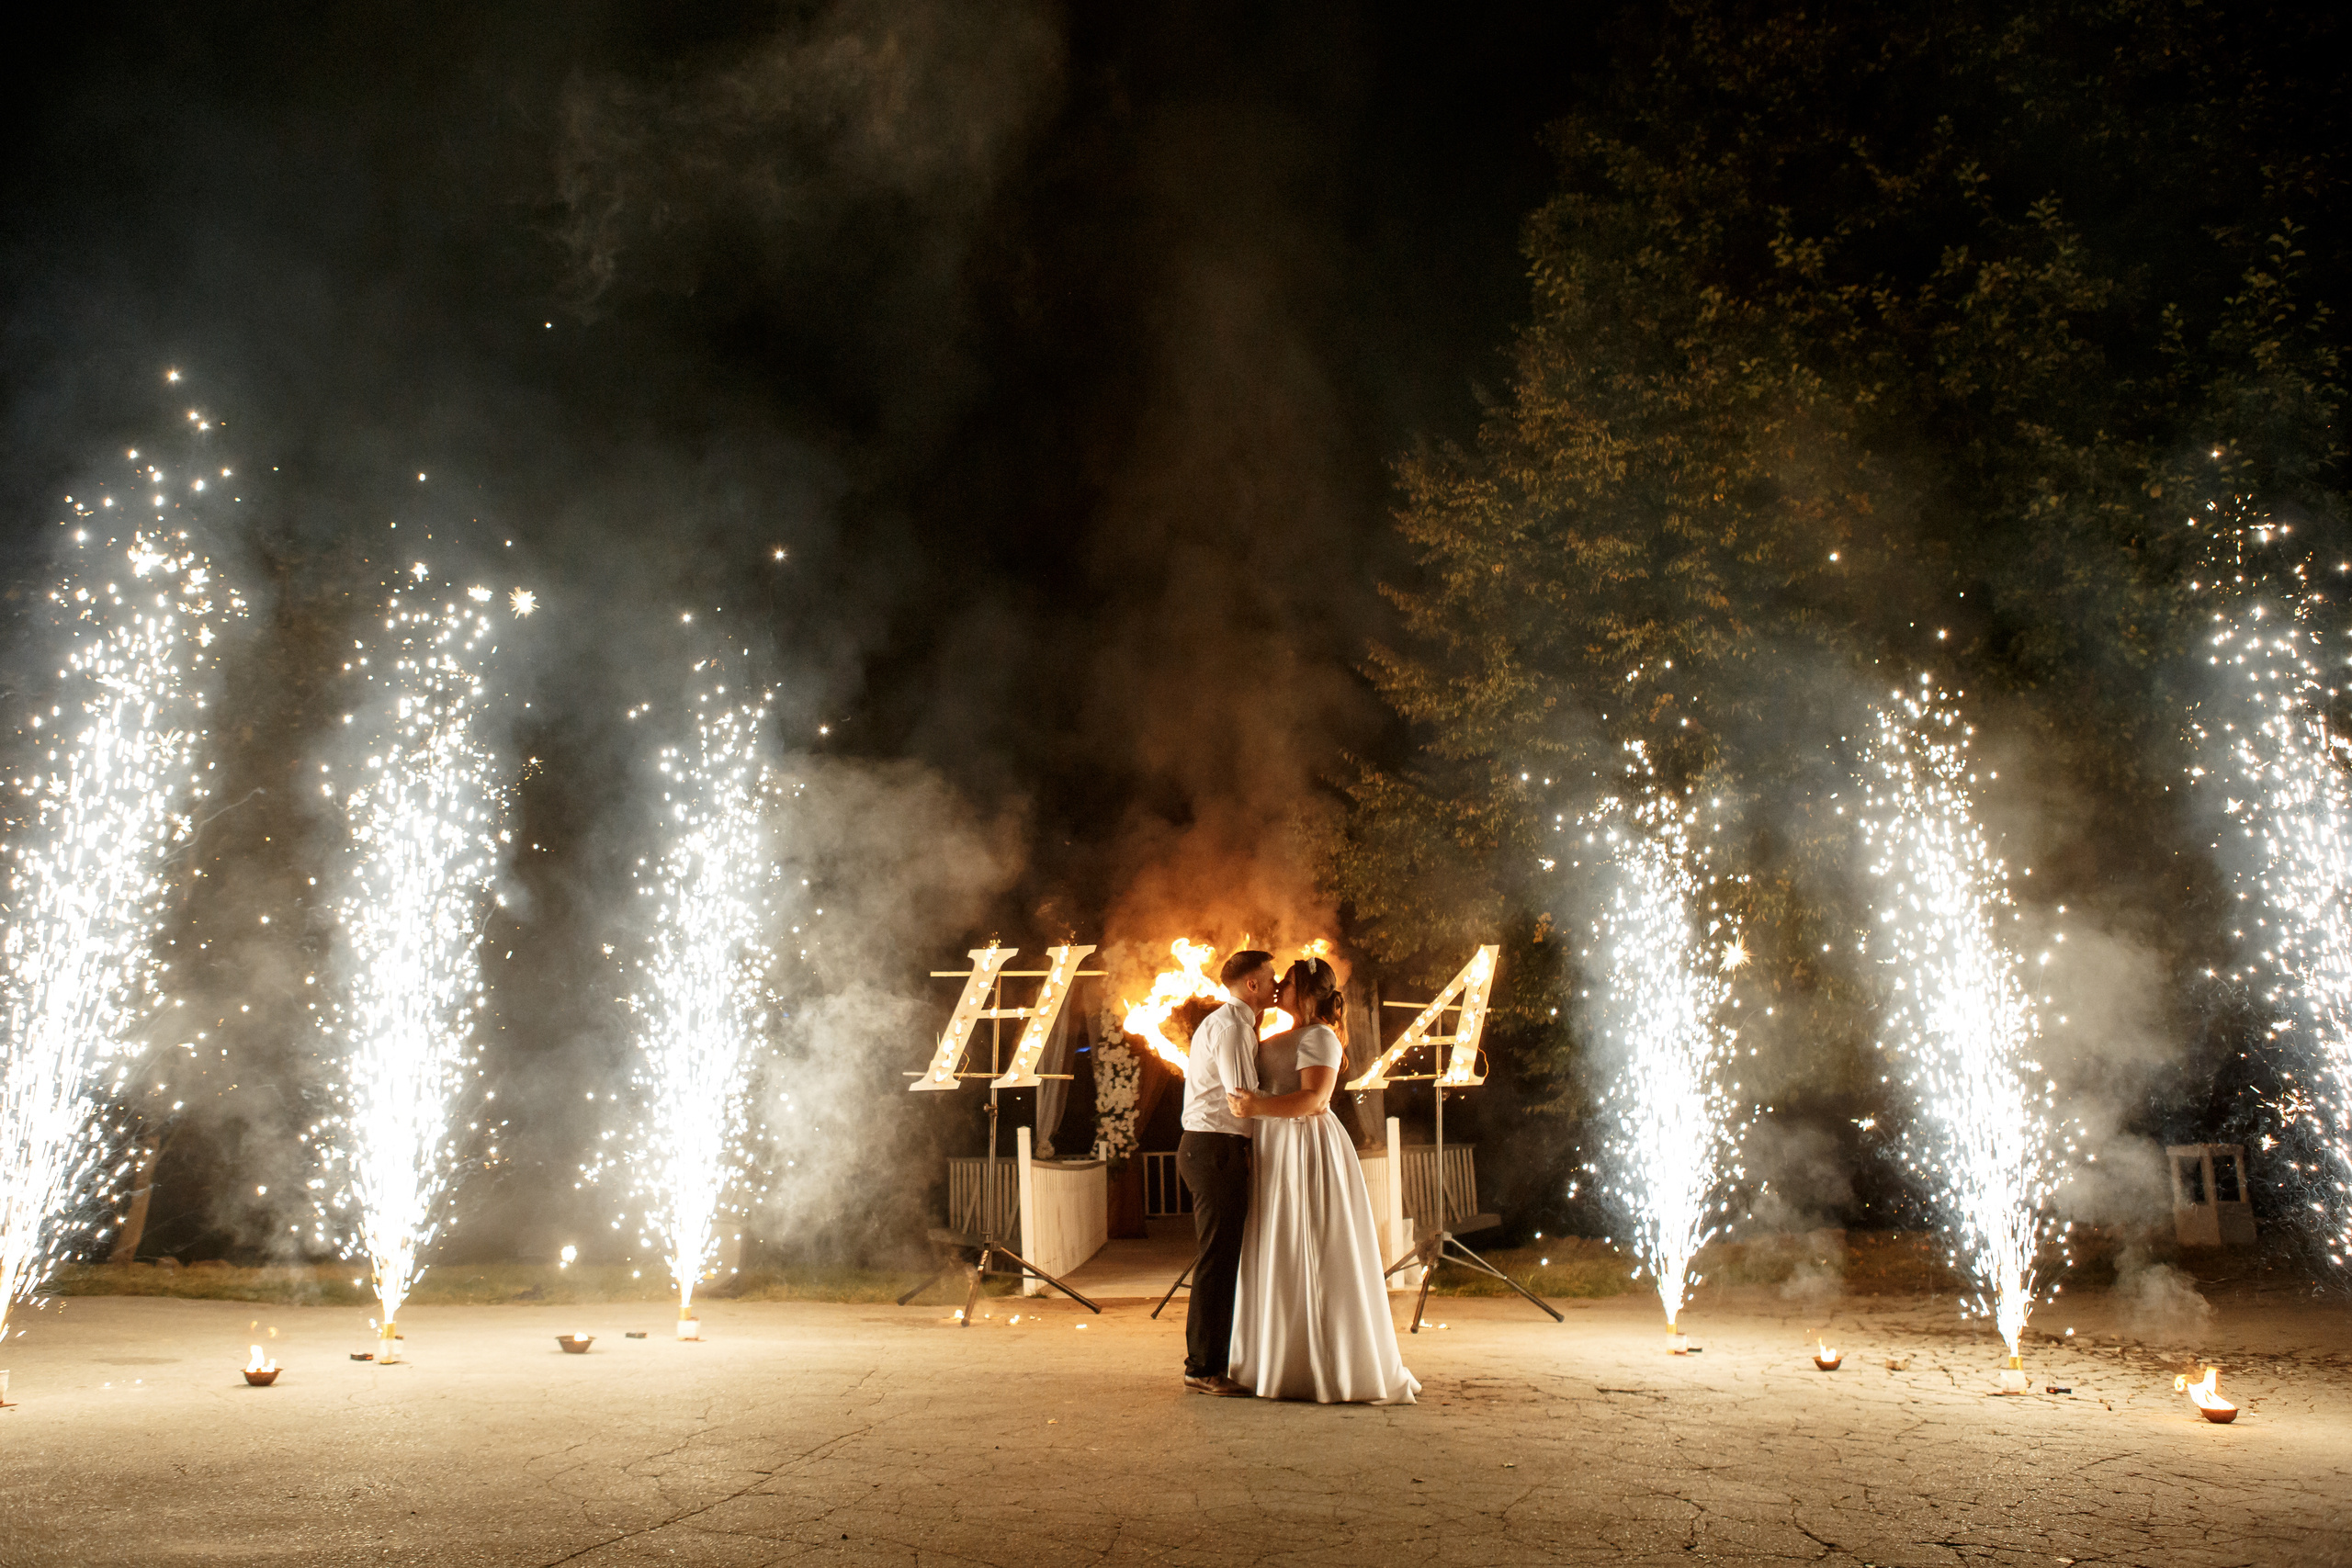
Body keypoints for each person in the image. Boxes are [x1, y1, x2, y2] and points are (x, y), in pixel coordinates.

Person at [1226, 956, 1419, 1404]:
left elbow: (1314, 1099)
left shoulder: (1320, 1037)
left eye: (1289, 982)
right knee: (1279, 1241)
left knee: (1309, 1239)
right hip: (1275, 1145)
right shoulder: (1280, 1033)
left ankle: (1326, 1364)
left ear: (1309, 993)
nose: (1279, 987)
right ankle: (1276, 1358)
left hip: (1305, 1146)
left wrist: (1257, 1107)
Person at [1175, 948, 1277, 1396]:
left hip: (1214, 1147)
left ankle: (1214, 1360)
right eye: (1271, 977)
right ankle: (1202, 1368)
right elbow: (1242, 1098)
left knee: (1222, 1256)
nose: (1276, 985)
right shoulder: (1233, 1027)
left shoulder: (1234, 1023)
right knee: (1217, 1260)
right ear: (1252, 984)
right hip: (1214, 1148)